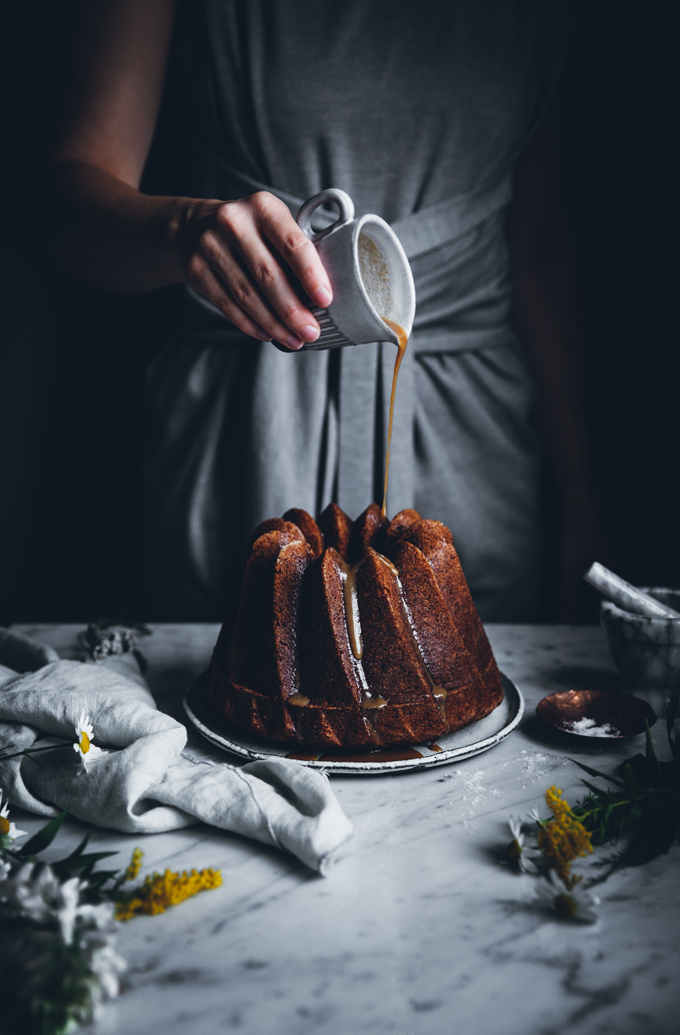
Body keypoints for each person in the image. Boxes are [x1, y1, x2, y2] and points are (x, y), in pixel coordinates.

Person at [45, 0, 602, 622]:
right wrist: (183, 229)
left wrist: (581, 498)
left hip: (473, 439)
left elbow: (540, 251)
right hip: (248, 416)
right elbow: (62, 207)